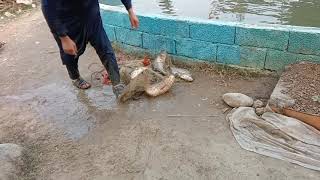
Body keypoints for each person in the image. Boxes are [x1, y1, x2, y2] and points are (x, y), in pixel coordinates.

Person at [41, 0, 139, 97]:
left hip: (91, 15)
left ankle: (117, 84)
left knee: (105, 48)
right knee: (71, 54)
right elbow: (47, 7)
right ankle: (75, 77)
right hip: (67, 22)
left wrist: (130, 10)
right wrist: (63, 37)